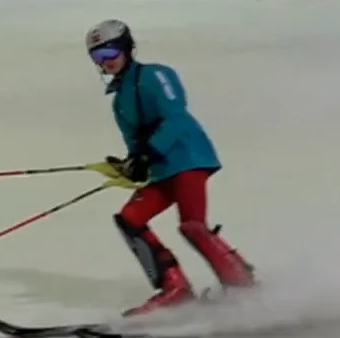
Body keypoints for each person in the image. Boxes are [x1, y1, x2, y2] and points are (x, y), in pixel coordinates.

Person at [84, 20, 256, 316]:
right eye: (98, 57)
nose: (106, 61)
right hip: (163, 168)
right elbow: (136, 143)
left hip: (187, 157)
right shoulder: (120, 100)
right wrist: (131, 164)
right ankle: (174, 288)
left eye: (110, 52)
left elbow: (175, 117)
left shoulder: (155, 75)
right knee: (130, 218)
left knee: (192, 226)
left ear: (126, 48)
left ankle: (242, 286)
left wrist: (147, 154)